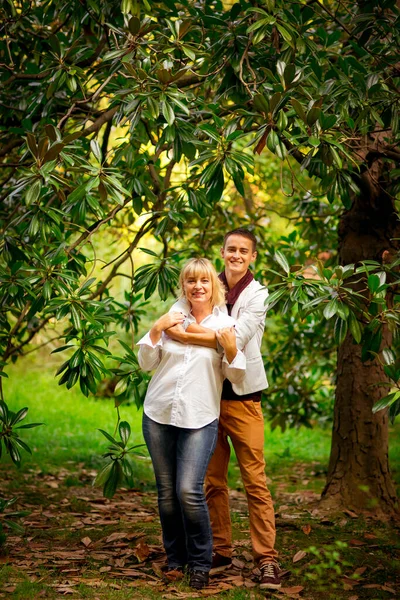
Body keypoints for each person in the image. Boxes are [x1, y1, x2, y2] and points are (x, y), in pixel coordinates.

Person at [167, 229, 281, 590]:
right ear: (222, 252)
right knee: (212, 482)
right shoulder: (207, 285)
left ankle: (266, 560)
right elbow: (188, 320)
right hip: (207, 399)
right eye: (231, 249)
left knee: (255, 482)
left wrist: (185, 335)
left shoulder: (258, 294)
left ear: (252, 257)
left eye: (243, 250)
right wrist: (192, 332)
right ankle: (221, 549)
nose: (235, 255)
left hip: (244, 398)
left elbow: (236, 337)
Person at [137, 258, 246, 590]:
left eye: (204, 281)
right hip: (159, 413)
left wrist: (230, 351)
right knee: (167, 493)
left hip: (199, 417)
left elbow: (237, 376)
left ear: (215, 286)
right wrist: (156, 329)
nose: (197, 287)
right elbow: (145, 363)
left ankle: (200, 562)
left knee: (188, 490)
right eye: (190, 281)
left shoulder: (226, 325)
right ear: (183, 285)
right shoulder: (171, 319)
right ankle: (175, 559)